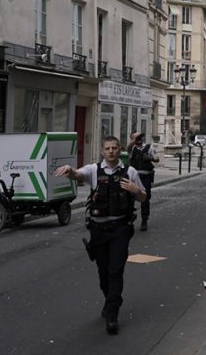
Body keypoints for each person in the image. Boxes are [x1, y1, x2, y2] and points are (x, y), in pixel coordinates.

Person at [54, 136, 146, 335]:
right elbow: (78, 175)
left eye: (114, 148)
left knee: (115, 269)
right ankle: (110, 299)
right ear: (102, 151)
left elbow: (143, 197)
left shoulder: (129, 172)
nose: (111, 151)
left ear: (119, 149)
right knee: (103, 271)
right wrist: (69, 171)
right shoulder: (94, 170)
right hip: (98, 230)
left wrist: (135, 189)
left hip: (120, 228)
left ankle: (112, 312)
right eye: (107, 148)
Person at [128, 132, 158, 231]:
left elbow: (156, 159)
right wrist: (133, 142)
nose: (139, 139)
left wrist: (151, 158)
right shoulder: (132, 148)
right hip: (134, 177)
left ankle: (144, 220)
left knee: (145, 198)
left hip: (145, 176)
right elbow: (127, 150)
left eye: (140, 137)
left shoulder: (149, 148)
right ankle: (129, 216)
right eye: (136, 137)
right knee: (129, 197)